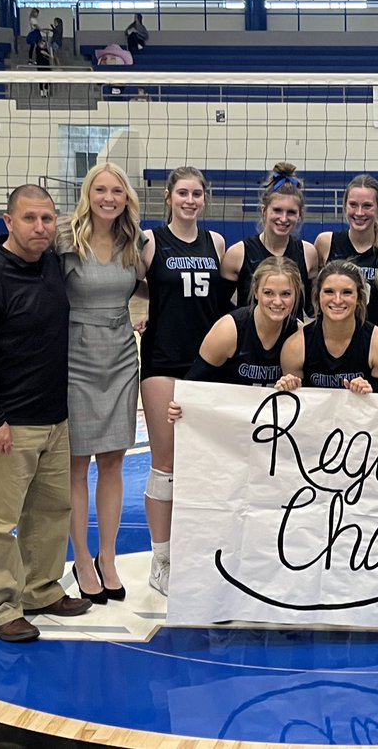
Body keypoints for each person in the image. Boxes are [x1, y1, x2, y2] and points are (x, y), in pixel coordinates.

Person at [0, 184, 91, 643]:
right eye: (30, 219)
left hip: (55, 419)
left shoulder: (51, 264)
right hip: (7, 424)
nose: (40, 228)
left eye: (48, 219)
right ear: (8, 222)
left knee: (52, 510)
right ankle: (0, 608)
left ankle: (41, 589)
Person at [56, 163, 145, 606]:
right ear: (87, 194)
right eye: (100, 190)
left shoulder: (137, 242)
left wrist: (150, 315)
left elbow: (153, 288)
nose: (108, 198)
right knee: (76, 464)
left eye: (116, 191)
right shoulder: (65, 240)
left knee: (113, 461)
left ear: (126, 197)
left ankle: (108, 557)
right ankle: (83, 558)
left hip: (121, 354)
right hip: (75, 357)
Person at [140, 166, 227, 597]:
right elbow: (132, 285)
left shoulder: (216, 243)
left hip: (208, 363)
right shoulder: (151, 241)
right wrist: (148, 313)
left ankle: (196, 551)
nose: (190, 201)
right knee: (167, 465)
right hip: (162, 362)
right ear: (169, 198)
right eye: (183, 193)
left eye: (197, 194)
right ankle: (162, 560)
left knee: (206, 465)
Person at [171, 257, 303, 396]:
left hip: (271, 414)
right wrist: (179, 407)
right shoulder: (229, 329)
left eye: (286, 294)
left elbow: (309, 396)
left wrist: (294, 385)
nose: (277, 301)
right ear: (256, 292)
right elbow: (193, 383)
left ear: (296, 295)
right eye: (268, 293)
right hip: (227, 412)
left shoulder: (298, 333)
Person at [276, 260, 378, 393]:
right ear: (317, 297)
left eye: (347, 292)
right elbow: (294, 404)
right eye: (329, 292)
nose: (338, 300)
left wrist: (371, 393)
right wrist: (289, 386)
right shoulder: (295, 346)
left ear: (359, 298)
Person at [221, 163, 318, 313]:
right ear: (264, 210)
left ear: (300, 215)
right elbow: (220, 307)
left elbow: (312, 309)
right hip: (250, 336)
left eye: (291, 212)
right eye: (277, 210)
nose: (283, 218)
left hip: (293, 336)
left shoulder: (308, 253)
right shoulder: (238, 253)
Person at [315, 174, 378, 330]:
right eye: (353, 204)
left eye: (367, 206)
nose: (359, 212)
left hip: (372, 345)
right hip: (328, 343)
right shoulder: (325, 243)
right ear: (344, 206)